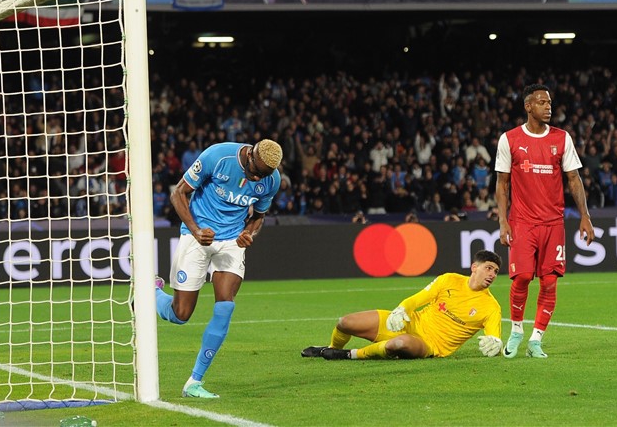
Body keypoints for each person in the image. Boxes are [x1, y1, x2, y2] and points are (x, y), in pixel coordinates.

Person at [154, 139, 283, 399]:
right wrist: (195, 230)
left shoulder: (272, 179)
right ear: (250, 155)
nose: (257, 178)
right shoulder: (218, 156)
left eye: (263, 175)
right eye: (256, 172)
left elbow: (258, 216)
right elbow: (178, 193)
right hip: (197, 236)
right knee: (180, 314)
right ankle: (151, 293)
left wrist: (249, 234)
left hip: (232, 242)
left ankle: (194, 382)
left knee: (225, 306)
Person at [495, 84, 595, 359]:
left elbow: (573, 179)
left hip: (553, 223)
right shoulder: (509, 139)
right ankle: (516, 330)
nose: (548, 107)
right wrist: (503, 221)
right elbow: (502, 183)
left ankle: (536, 339)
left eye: (549, 102)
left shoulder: (562, 138)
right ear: (528, 107)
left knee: (549, 282)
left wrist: (585, 216)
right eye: (541, 102)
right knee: (523, 277)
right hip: (522, 222)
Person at [300, 250, 503, 360]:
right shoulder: (449, 279)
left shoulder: (491, 307)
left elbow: (494, 337)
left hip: (430, 345)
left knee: (399, 344)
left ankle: (350, 355)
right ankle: (330, 348)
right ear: (474, 267)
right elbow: (419, 298)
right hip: (411, 323)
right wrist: (402, 309)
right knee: (345, 322)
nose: (492, 274)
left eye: (495, 271)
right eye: (488, 268)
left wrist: (496, 343)